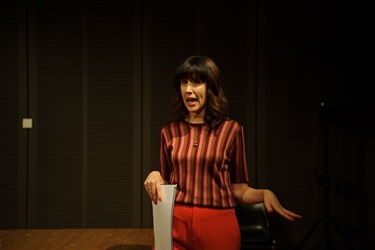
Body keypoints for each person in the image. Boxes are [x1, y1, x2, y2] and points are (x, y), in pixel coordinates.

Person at [144, 55, 302, 250]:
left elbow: (239, 190)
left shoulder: (231, 130)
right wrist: (155, 174)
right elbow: (167, 185)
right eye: (184, 82)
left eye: (196, 82)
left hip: (218, 225)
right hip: (176, 225)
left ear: (211, 87)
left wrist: (264, 194)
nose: (188, 89)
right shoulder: (168, 132)